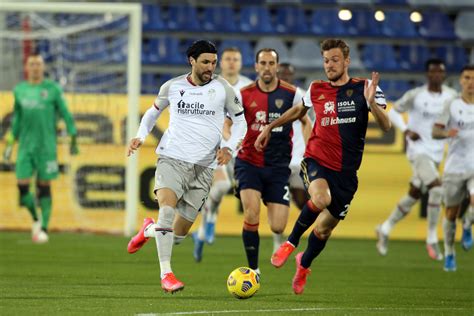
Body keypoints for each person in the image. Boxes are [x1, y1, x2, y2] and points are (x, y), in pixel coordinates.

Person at [256, 39, 391, 294]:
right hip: (316, 160)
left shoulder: (366, 88)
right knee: (320, 197)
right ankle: (290, 243)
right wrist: (271, 126)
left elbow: (386, 126)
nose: (329, 65)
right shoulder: (316, 88)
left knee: (323, 229)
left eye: (335, 60)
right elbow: (298, 111)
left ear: (347, 61)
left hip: (347, 175)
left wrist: (372, 103)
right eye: (326, 60)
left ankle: (304, 264)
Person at [126, 40, 247, 293]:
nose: (210, 68)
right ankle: (166, 275)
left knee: (177, 235)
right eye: (205, 62)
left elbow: (240, 122)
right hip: (172, 158)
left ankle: (148, 230)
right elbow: (152, 113)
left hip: (204, 168)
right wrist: (140, 135)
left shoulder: (222, 88)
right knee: (167, 214)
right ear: (191, 60)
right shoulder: (173, 86)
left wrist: (229, 148)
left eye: (213, 63)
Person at [234, 48, 310, 276]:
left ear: (277, 67)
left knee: (278, 226)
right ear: (256, 67)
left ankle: (269, 200)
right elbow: (230, 121)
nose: (267, 68)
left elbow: (306, 121)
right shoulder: (242, 94)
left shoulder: (293, 94)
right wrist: (231, 142)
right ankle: (253, 269)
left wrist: (310, 151)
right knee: (251, 214)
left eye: (271, 63)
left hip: (278, 167)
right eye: (263, 63)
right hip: (249, 162)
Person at [375, 59, 457, 260]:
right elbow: (392, 111)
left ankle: (385, 228)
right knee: (436, 189)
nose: (436, 75)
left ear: (444, 76)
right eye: (432, 72)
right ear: (427, 75)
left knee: (415, 193)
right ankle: (431, 239)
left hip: (437, 152)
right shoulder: (416, 95)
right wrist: (406, 130)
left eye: (440, 72)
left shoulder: (451, 96)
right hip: (418, 151)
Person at [3, 53, 78, 244]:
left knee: (44, 187)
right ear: (27, 67)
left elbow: (65, 113)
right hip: (26, 147)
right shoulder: (20, 90)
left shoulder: (52, 89)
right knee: (22, 186)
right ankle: (36, 218)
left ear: (43, 67)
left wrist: (73, 135)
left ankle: (44, 227)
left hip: (46, 148)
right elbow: (17, 118)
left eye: (38, 64)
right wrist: (10, 142)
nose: (35, 67)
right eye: (32, 63)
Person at [192, 47, 253, 262]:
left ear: (241, 62)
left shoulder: (247, 86)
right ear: (221, 62)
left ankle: (202, 229)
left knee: (224, 188)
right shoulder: (209, 84)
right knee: (221, 186)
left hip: (236, 145)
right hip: (211, 143)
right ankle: (208, 222)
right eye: (227, 59)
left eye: (236, 59)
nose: (231, 63)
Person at [432, 64, 474, 271]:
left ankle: (467, 224)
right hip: (455, 167)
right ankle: (449, 251)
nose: (471, 82)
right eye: (467, 78)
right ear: (461, 81)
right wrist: (446, 134)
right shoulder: (451, 104)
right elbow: (435, 131)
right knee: (450, 214)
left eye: (473, 78)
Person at [278, 63, 312, 211]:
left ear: (293, 76)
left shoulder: (305, 98)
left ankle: (310, 229)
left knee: (302, 201)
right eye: (282, 74)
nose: (285, 77)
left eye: (288, 74)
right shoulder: (270, 97)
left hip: (298, 158)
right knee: (276, 201)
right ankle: (278, 234)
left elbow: (313, 125)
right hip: (277, 158)